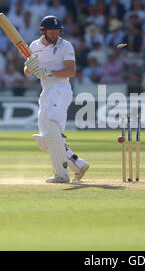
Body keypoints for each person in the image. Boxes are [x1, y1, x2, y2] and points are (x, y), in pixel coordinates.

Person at [23, 15, 89, 183]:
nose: (55, 35)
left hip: (60, 89)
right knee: (46, 139)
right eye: (51, 32)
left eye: (57, 31)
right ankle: (78, 164)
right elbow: (27, 71)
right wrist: (29, 68)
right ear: (43, 31)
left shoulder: (65, 46)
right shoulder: (34, 46)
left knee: (53, 130)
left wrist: (49, 72)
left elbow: (71, 71)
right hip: (46, 91)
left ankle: (61, 174)